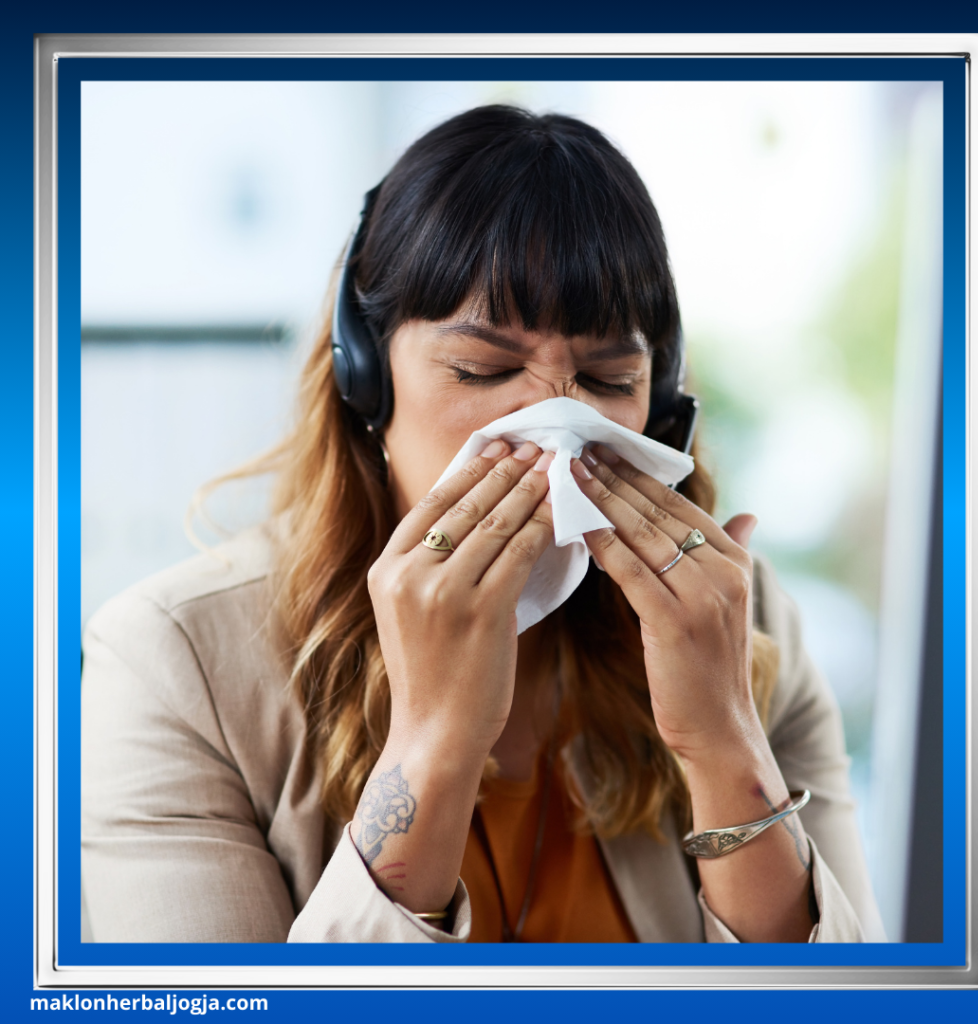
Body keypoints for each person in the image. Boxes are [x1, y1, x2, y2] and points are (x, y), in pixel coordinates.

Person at [81, 105, 885, 944]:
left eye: (609, 382)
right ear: (366, 381)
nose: (553, 424)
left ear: (663, 409)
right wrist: (433, 740)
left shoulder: (748, 633)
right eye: (483, 369)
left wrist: (723, 741)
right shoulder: (171, 666)